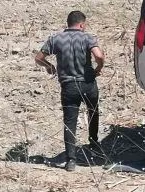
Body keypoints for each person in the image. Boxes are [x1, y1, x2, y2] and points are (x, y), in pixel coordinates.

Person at [35, 11, 105, 171]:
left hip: (69, 86)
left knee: (70, 122)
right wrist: (98, 68)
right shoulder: (88, 37)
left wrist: (50, 66)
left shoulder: (56, 38)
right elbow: (99, 56)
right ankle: (94, 142)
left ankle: (70, 161)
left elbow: (38, 58)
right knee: (93, 111)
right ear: (81, 24)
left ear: (68, 23)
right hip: (88, 84)